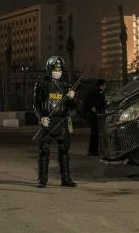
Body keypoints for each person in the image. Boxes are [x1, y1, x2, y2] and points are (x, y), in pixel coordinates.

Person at [33, 56, 77, 188]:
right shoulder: (41, 85)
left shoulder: (66, 86)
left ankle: (66, 179)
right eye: (55, 69)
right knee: (44, 151)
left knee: (64, 151)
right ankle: (43, 179)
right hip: (47, 121)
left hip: (62, 122)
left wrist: (73, 98)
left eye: (59, 69)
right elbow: (35, 105)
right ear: (49, 69)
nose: (57, 71)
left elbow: (74, 108)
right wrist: (41, 118)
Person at [85, 80, 107, 157]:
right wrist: (93, 107)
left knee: (95, 133)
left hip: (94, 115)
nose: (105, 87)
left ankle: (93, 151)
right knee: (95, 133)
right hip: (94, 116)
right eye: (104, 85)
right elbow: (99, 104)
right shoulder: (97, 93)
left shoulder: (97, 93)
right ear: (101, 86)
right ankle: (92, 151)